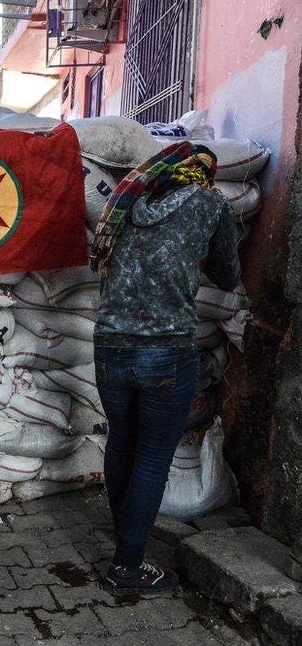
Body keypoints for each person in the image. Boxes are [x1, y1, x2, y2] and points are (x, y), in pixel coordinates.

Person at [90, 142, 241, 595]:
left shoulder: (128, 200)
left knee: (122, 441)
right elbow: (227, 274)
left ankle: (127, 536)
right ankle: (128, 567)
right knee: (154, 456)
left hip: (110, 345)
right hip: (166, 349)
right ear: (203, 175)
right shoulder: (211, 203)